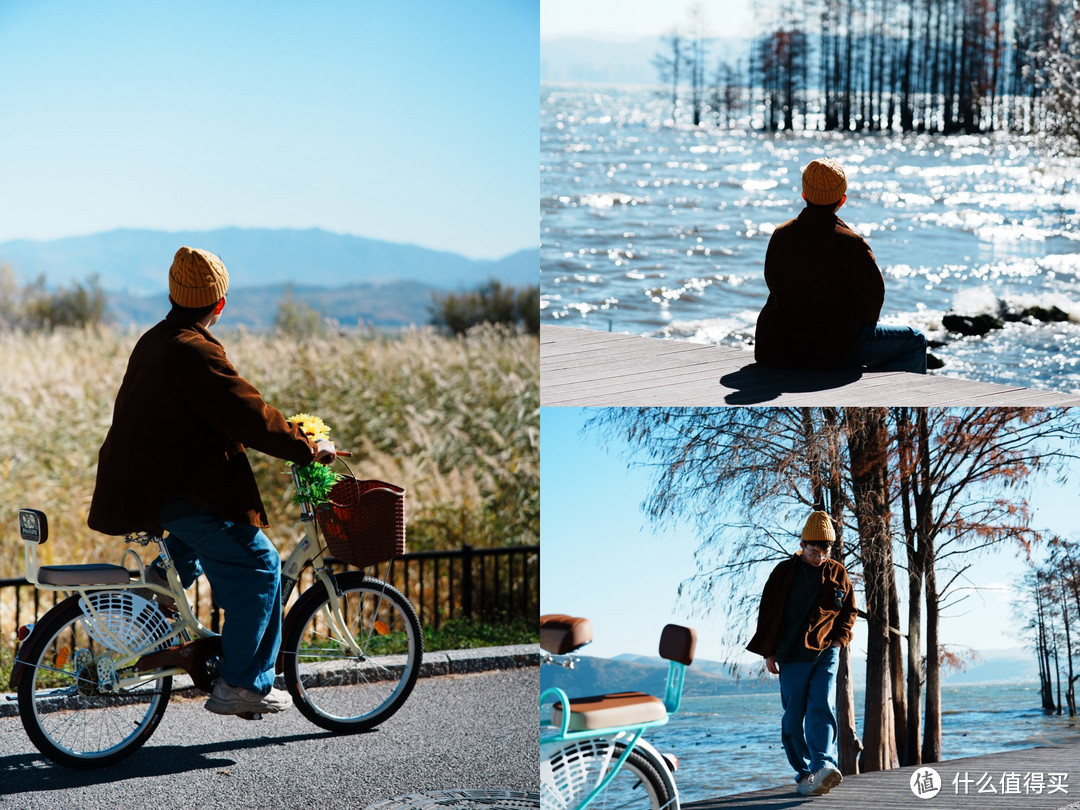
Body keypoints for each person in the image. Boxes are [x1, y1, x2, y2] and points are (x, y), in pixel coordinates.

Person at [88, 246, 336, 716]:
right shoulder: (194, 350)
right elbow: (247, 413)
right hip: (177, 492)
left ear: (172, 294)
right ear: (219, 304)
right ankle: (242, 684)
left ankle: (154, 601)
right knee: (260, 566)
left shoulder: (156, 340)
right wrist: (306, 446)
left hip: (145, 488)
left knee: (191, 555)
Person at [754, 157, 928, 374]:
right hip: (828, 350)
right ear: (842, 200)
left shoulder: (780, 234)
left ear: (804, 195)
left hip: (775, 346)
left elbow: (774, 282)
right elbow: (872, 302)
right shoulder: (850, 243)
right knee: (916, 340)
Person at [746, 511, 858, 797]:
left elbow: (849, 612)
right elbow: (767, 614)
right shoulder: (783, 573)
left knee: (821, 705)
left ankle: (823, 765)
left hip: (826, 652)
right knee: (793, 717)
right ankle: (805, 773)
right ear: (802, 543)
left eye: (826, 549)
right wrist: (768, 653)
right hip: (791, 655)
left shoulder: (838, 573)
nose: (820, 554)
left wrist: (838, 642)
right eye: (814, 548)